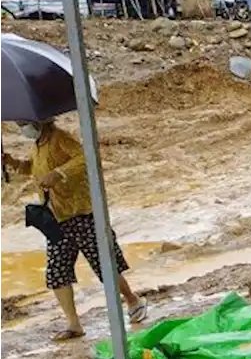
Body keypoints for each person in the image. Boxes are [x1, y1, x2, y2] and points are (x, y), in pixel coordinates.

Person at [1, 120, 147, 342]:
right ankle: (73, 323)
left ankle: (133, 300)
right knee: (57, 271)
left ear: (38, 121)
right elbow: (32, 167)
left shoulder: (61, 138)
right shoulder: (38, 144)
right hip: (56, 218)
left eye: (24, 123)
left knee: (104, 264)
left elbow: (84, 158)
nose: (23, 128)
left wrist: (59, 173)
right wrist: (12, 162)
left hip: (82, 214)